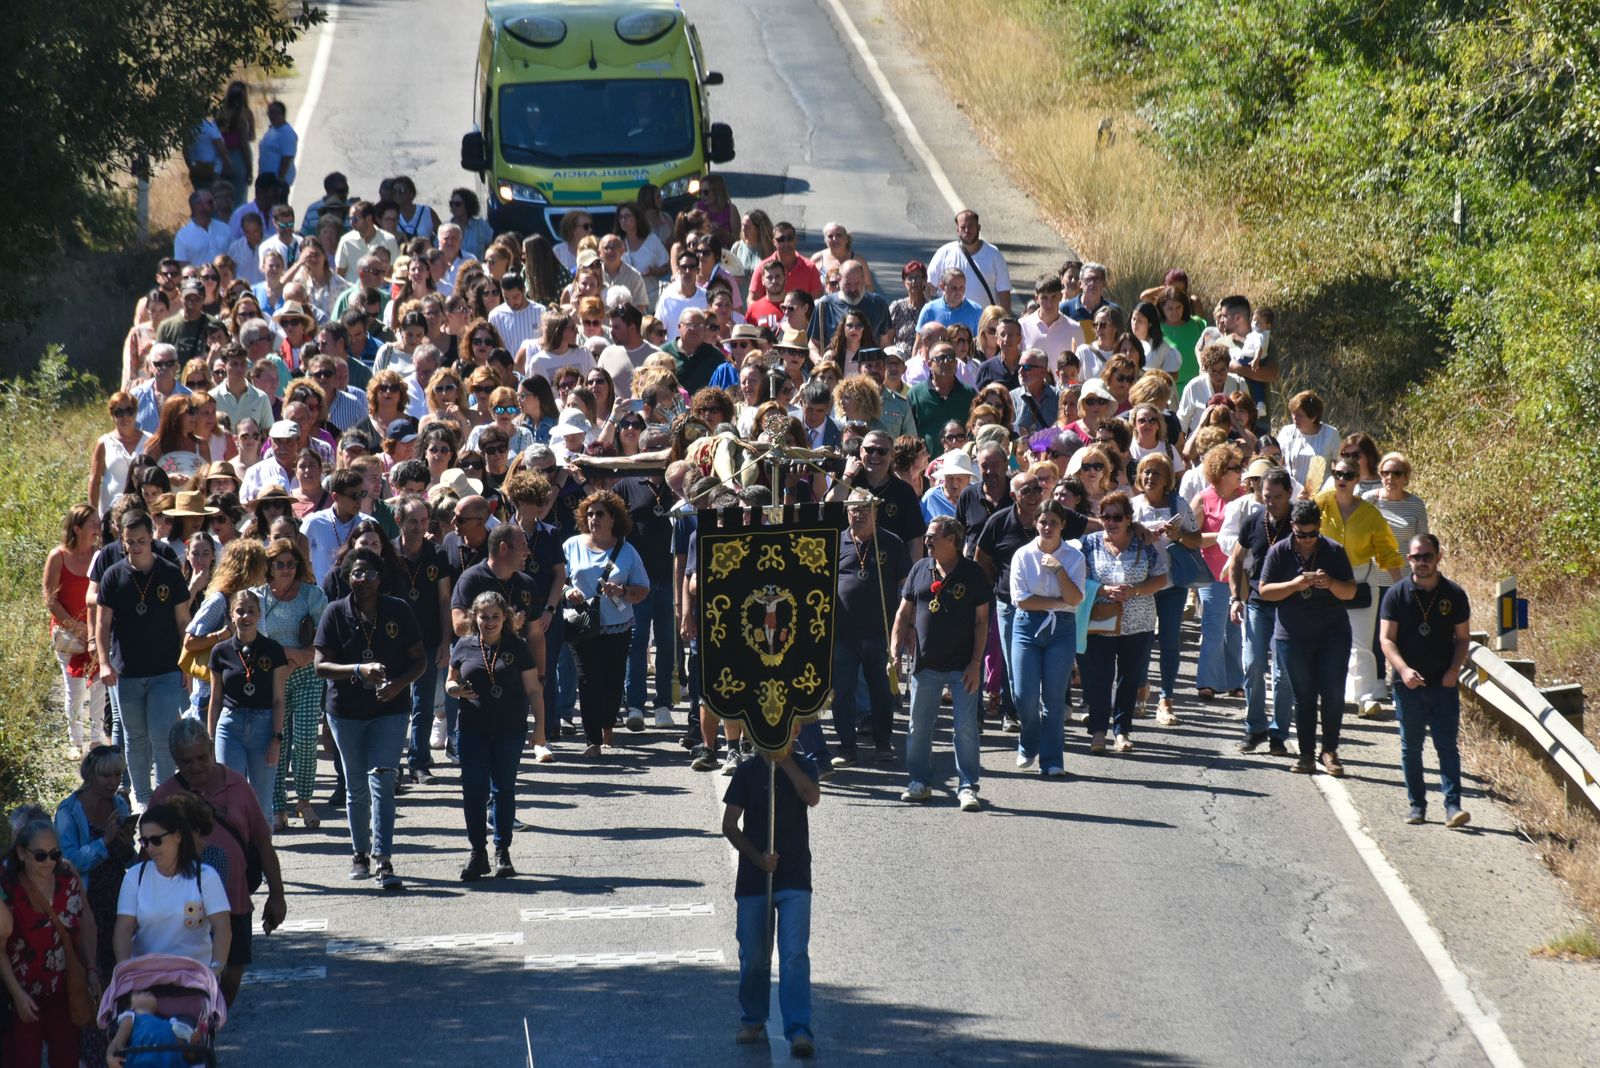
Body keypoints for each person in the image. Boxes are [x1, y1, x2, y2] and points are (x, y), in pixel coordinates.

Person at [314, 548, 427, 889]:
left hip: (389, 710)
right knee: (356, 788)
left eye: (371, 574)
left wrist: (398, 684)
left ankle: (384, 859)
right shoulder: (335, 612)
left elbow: (419, 661)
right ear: (347, 577)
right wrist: (359, 669)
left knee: (382, 781)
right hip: (346, 712)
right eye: (357, 574)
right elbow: (320, 666)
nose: (364, 580)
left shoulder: (398, 610)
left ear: (381, 578)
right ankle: (359, 853)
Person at [153, 719, 287, 1003]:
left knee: (233, 972)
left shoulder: (237, 785)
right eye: (186, 761)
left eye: (203, 757)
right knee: (191, 979)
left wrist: (277, 895)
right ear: (175, 760)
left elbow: (262, 843)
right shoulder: (164, 797)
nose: (197, 766)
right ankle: (197, 1031)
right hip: (183, 910)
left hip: (233, 902)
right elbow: (148, 857)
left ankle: (212, 1023)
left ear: (212, 749)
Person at [722, 734, 821, 1059]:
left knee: (793, 956)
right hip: (755, 878)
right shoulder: (747, 772)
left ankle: (799, 1030)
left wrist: (785, 762)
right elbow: (730, 825)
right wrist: (757, 858)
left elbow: (812, 796)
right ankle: (753, 1017)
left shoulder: (805, 765)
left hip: (794, 875)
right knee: (754, 958)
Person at [892, 514, 990, 809]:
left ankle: (967, 786)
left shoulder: (973, 573)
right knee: (917, 727)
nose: (927, 541)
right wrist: (894, 648)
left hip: (962, 666)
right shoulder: (920, 568)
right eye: (927, 536)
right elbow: (903, 612)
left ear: (952, 540)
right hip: (925, 665)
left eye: (933, 536)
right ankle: (919, 782)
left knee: (965, 728)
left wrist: (976, 662)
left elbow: (982, 622)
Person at [96, 511, 191, 808]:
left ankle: (165, 798)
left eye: (141, 540)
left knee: (162, 736)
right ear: (122, 541)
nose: (136, 547)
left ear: (152, 537)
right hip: (128, 672)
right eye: (130, 542)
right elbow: (102, 624)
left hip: (165, 669)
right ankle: (143, 800)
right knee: (135, 739)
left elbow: (182, 622)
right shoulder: (113, 575)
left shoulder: (170, 572)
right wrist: (103, 662)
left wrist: (187, 664)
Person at [1258, 500, 1358, 775]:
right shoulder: (1279, 551)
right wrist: (1294, 585)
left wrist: (1331, 583)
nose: (1306, 540)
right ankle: (1306, 755)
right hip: (1292, 635)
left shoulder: (1333, 551)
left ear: (1320, 529)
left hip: (1332, 633)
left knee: (1333, 694)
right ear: (1292, 528)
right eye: (1301, 535)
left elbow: (1350, 591)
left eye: (1312, 534)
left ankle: (1330, 750)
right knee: (1304, 695)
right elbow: (1265, 591)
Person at [1380, 534, 1473, 827]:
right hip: (1407, 686)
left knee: (1447, 747)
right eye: (1415, 557)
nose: (1421, 562)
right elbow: (1386, 640)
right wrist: (1404, 670)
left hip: (1442, 685)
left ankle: (1453, 806)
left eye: (1427, 556)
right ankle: (1417, 806)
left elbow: (1462, 639)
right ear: (1409, 559)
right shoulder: (1396, 594)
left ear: (1438, 557)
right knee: (1412, 747)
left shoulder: (1454, 594)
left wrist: (1453, 671)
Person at [446, 591, 538, 881]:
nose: (489, 622)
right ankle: (478, 853)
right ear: (475, 617)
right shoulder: (463, 645)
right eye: (483, 616)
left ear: (505, 618)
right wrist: (455, 690)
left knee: (503, 790)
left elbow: (534, 690)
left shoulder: (518, 647)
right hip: (472, 729)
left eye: (495, 616)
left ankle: (502, 851)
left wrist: (541, 729)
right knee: (474, 793)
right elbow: (450, 681)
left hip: (509, 730)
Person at [2, 813, 97, 1068]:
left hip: (66, 990)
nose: (49, 862)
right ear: (22, 854)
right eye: (40, 855)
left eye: (54, 854)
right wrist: (17, 994)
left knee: (67, 1060)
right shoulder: (8, 884)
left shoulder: (67, 874)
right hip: (23, 995)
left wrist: (92, 970)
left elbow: (85, 920)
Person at [561, 491, 651, 757]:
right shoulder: (572, 545)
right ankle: (593, 740)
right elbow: (559, 579)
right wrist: (568, 592)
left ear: (613, 518)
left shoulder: (627, 550)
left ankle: (608, 726)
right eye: (589, 514)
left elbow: (643, 590)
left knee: (612, 683)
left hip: (617, 626)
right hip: (582, 626)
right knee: (587, 682)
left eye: (600, 514)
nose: (594, 519)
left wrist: (622, 591)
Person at [1080, 491, 1168, 753]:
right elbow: (1078, 580)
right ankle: (1098, 730)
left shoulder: (1144, 544)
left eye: (1117, 516)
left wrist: (1135, 590)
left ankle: (1122, 731)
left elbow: (1161, 578)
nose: (1111, 521)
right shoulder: (1090, 544)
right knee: (1100, 678)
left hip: (1138, 623)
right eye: (1105, 516)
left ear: (1129, 519)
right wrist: (1103, 590)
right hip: (1100, 622)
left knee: (1129, 680)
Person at [1317, 455, 1404, 717]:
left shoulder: (1370, 514)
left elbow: (1387, 552)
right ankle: (1327, 692)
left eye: (1347, 475)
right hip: (1326, 579)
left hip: (1362, 579)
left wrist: (1402, 588)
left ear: (1357, 480)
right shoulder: (1320, 504)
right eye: (1337, 474)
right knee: (1323, 638)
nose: (1341, 480)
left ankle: (1365, 697)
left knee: (1361, 642)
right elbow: (1300, 528)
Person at [830, 492, 910, 769]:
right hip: (842, 634)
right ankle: (847, 746)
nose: (859, 514)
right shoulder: (835, 541)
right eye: (854, 509)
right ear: (847, 511)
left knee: (881, 691)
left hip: (879, 632)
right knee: (842, 692)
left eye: (866, 508)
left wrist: (906, 628)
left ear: (876, 511)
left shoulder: (891, 542)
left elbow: (905, 588)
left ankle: (883, 742)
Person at [253, 538, 327, 831]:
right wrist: (291, 655)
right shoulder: (258, 597)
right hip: (273, 676)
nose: (285, 569)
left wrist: (304, 657)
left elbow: (325, 633)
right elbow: (255, 639)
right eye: (279, 564)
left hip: (308, 674)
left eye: (291, 564)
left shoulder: (312, 595)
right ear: (269, 566)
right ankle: (277, 806)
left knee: (307, 740)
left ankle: (305, 801)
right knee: (277, 743)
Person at [1008, 501, 1086, 777]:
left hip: (1061, 630)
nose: (1048, 527)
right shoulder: (1022, 555)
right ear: (1035, 523)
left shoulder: (1074, 557)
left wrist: (1058, 570)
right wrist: (1058, 601)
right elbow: (1022, 601)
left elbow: (1076, 599)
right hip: (1027, 628)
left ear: (1063, 524)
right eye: (1043, 521)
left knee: (1054, 698)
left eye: (1054, 521)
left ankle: (1052, 759)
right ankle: (1028, 743)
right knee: (1023, 695)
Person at [112, 795, 230, 975]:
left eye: (156, 840)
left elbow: (222, 928)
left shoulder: (206, 877)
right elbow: (124, 928)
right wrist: (124, 970)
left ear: (177, 837)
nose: (149, 847)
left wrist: (216, 969)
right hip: (146, 977)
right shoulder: (135, 876)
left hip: (196, 977)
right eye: (144, 841)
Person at [1228, 467, 1296, 754]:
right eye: (1266, 496)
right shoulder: (1254, 521)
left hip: (1290, 605)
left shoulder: (1298, 520)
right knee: (1253, 664)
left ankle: (1279, 732)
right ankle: (1254, 728)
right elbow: (1235, 560)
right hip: (1257, 602)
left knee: (1283, 673)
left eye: (1277, 497)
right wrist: (1235, 597)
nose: (1271, 502)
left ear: (1289, 494)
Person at [1129, 453, 1201, 724]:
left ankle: (1166, 700)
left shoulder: (1179, 505)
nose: (1149, 477)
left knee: (1169, 642)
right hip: (1142, 585)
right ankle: (1141, 691)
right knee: (1142, 641)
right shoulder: (1132, 506)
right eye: (1146, 472)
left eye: (1156, 473)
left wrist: (1178, 535)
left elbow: (1196, 540)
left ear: (1167, 479)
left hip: (1172, 584)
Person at [205, 590, 288, 820]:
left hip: (263, 726)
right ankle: (233, 854)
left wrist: (276, 738)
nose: (246, 616)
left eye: (251, 610)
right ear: (232, 615)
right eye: (240, 611)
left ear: (259, 614)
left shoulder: (273, 650)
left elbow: (279, 699)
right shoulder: (220, 651)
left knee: (261, 805)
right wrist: (210, 741)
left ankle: (261, 855)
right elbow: (215, 699)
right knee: (227, 798)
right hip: (230, 726)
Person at [44, 504, 103, 754]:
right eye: (93, 524)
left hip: (96, 632)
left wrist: (93, 630)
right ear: (77, 528)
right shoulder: (58, 556)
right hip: (68, 635)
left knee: (100, 686)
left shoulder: (100, 555)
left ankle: (97, 739)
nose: (98, 529)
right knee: (75, 689)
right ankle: (75, 741)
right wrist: (75, 626)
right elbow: (50, 599)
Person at [1194, 444, 1247, 701]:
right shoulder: (1204, 498)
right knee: (1213, 628)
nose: (1241, 472)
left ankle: (1237, 681)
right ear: (1220, 471)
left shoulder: (1245, 495)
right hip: (1211, 573)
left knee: (1236, 629)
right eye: (1235, 468)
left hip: (1238, 573)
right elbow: (1191, 538)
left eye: (1240, 467)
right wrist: (1223, 536)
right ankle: (1207, 681)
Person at [926, 209, 1011, 312]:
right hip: (949, 323)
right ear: (957, 230)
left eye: (970, 226)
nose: (967, 230)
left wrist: (1005, 320)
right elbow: (929, 288)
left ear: (978, 228)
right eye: (963, 227)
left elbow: (1004, 294)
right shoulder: (944, 253)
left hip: (983, 324)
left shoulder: (994, 255)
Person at [90, 392, 154, 516]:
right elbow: (94, 481)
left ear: (136, 412)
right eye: (119, 412)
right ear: (112, 415)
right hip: (111, 513)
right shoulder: (104, 442)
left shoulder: (149, 441)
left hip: (143, 512)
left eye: (129, 411)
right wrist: (93, 515)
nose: (125, 417)